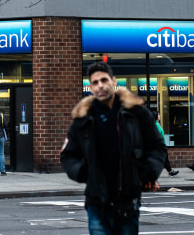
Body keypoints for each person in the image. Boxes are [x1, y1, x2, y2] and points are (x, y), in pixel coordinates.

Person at [61, 62, 167, 235]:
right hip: (97, 202)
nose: (100, 85)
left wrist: (145, 173)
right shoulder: (83, 118)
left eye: (104, 80)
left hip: (127, 201)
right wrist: (84, 173)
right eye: (95, 82)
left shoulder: (137, 113)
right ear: (90, 87)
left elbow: (157, 147)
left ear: (113, 81)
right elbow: (68, 155)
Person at [152, 110, 179, 177]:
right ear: (156, 116)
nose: (159, 116)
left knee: (164, 159)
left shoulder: (157, 124)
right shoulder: (155, 125)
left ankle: (170, 172)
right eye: (158, 115)